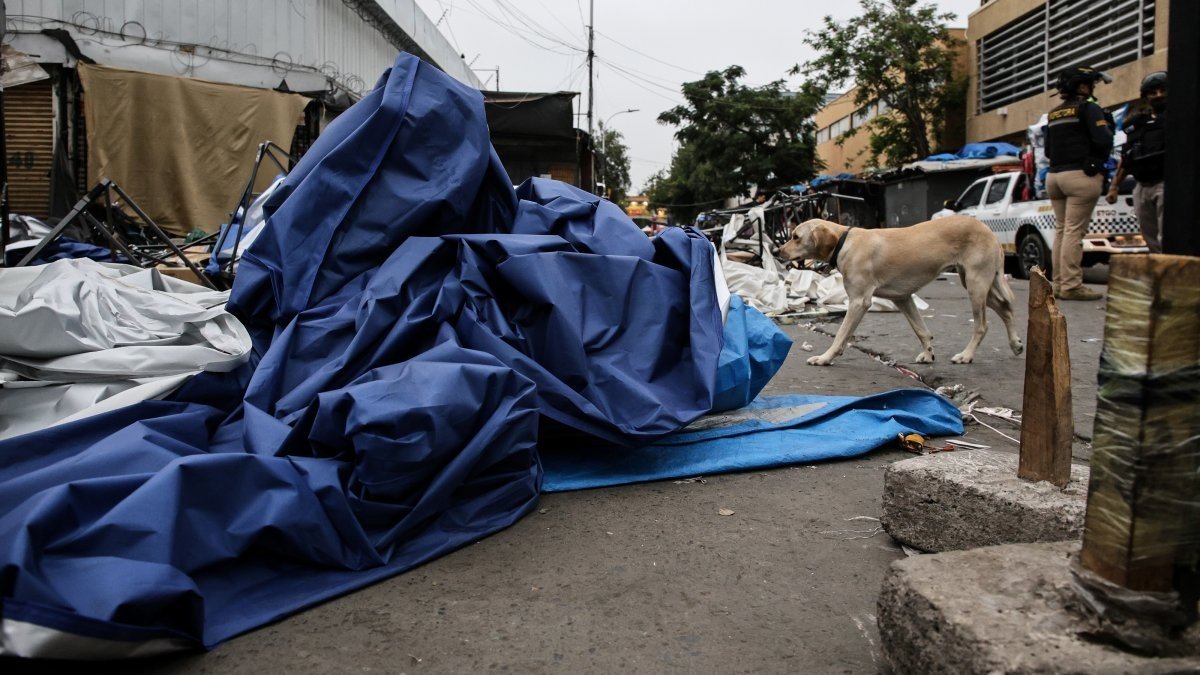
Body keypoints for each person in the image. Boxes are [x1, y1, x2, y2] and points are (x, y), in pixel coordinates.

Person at [1043, 66, 1114, 301]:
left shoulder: (1054, 113)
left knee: (1062, 230)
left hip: (1054, 177)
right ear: (1084, 86)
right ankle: (1072, 285)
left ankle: (1058, 283)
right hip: (1080, 176)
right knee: (1074, 231)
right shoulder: (1089, 108)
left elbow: (1048, 150)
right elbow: (1103, 140)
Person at [1106, 71, 1166, 253]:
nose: (1159, 95)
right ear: (1145, 96)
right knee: (1150, 237)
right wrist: (1115, 186)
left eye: (1163, 90)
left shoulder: (1181, 119)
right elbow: (1127, 158)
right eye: (1153, 92)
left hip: (1166, 183)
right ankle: (1160, 272)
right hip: (1142, 186)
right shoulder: (1139, 124)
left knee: (1169, 236)